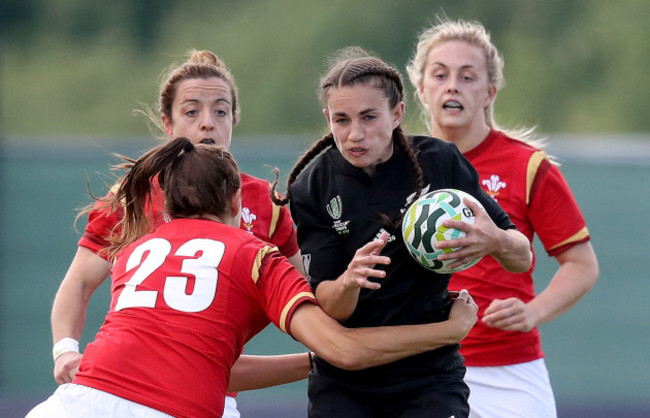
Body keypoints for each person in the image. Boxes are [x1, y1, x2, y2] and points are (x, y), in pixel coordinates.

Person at [27, 137, 479, 418]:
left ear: (166, 205)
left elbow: (206, 364)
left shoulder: (136, 251)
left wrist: (311, 363)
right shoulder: (253, 253)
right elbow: (344, 349)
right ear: (236, 197)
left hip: (73, 404)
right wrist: (447, 331)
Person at [271, 47, 532, 418]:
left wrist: (496, 240)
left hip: (429, 378)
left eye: (369, 117)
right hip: (345, 384)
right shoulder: (312, 188)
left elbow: (522, 257)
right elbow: (329, 305)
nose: (355, 133)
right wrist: (350, 280)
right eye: (341, 120)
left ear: (397, 114)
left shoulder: (440, 162)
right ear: (327, 118)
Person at [50, 50, 309, 417]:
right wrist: (65, 349)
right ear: (167, 124)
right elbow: (78, 283)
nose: (208, 124)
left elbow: (307, 300)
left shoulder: (267, 204)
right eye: (192, 111)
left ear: (234, 119)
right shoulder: (135, 193)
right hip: (118, 386)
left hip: (206, 394)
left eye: (221, 111)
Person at [406, 17, 599, 417]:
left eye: (468, 76)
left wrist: (534, 312)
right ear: (422, 90)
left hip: (508, 372)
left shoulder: (527, 166)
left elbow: (581, 266)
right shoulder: (395, 168)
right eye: (440, 75)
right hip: (420, 368)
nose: (452, 85)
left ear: (490, 91)